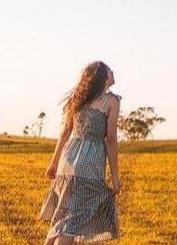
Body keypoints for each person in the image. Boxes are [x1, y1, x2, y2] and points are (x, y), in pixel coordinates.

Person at [41, 61, 121, 245]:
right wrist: (115, 176)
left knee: (61, 219)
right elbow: (111, 140)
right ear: (102, 77)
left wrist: (54, 163)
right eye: (109, 70)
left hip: (66, 162)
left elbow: (65, 132)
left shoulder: (77, 99)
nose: (113, 71)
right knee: (73, 224)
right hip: (89, 164)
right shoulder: (111, 101)